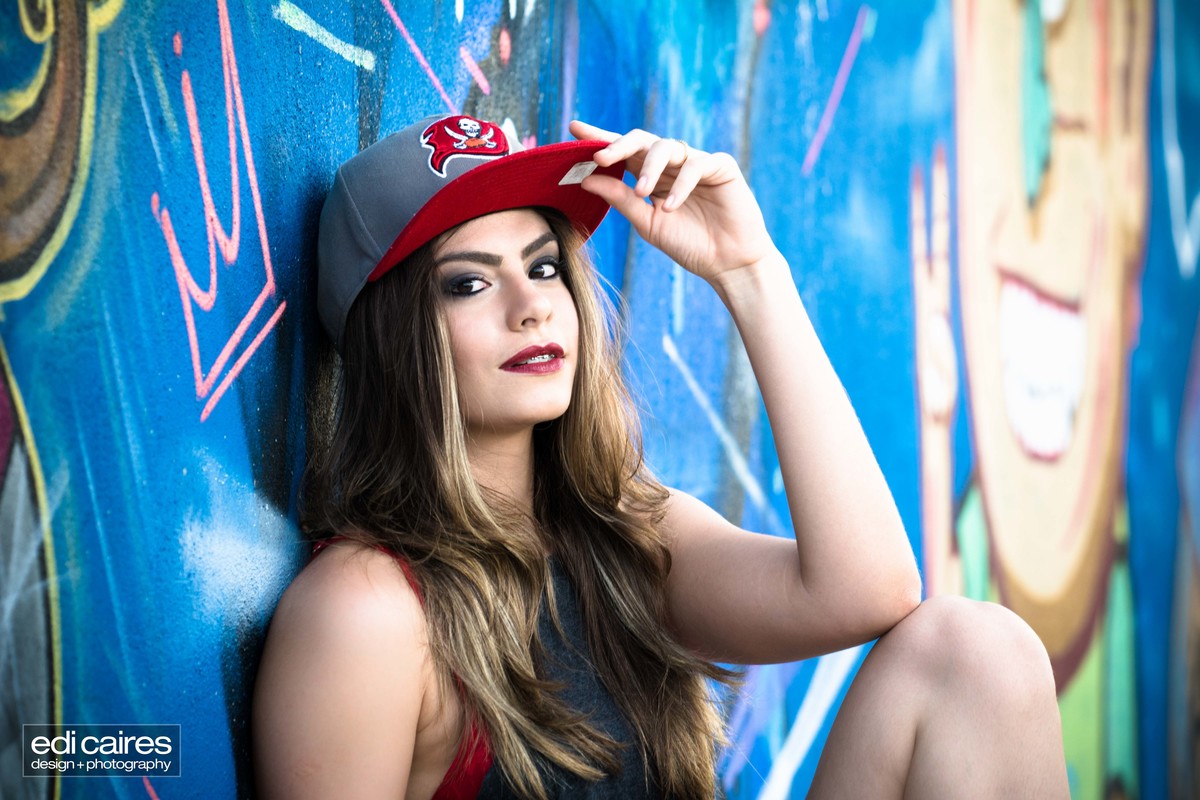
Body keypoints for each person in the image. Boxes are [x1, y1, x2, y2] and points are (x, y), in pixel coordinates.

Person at [252, 114, 1068, 799]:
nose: (532, 306)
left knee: (975, 654)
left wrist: (750, 272)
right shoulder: (368, 610)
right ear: (392, 337)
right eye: (469, 283)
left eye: (544, 266)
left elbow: (868, 592)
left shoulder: (622, 536)